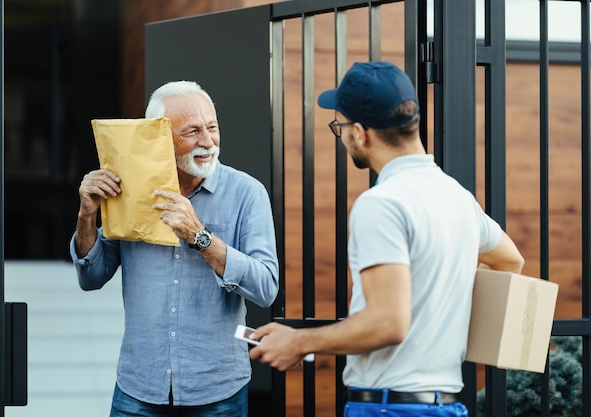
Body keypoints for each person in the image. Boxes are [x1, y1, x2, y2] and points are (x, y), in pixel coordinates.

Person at [248, 61, 524, 416]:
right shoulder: (457, 197)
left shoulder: (381, 204)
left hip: (389, 407)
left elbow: (388, 323)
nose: (343, 135)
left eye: (340, 126)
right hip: (446, 405)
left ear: (360, 132)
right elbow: (510, 261)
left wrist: (299, 341)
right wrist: (441, 307)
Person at [70, 80, 279, 417]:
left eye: (212, 127)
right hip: (138, 388)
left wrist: (201, 238)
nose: (208, 142)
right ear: (159, 137)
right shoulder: (128, 192)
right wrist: (87, 215)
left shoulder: (247, 194)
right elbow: (91, 277)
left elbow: (266, 288)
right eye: (193, 131)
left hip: (218, 392)